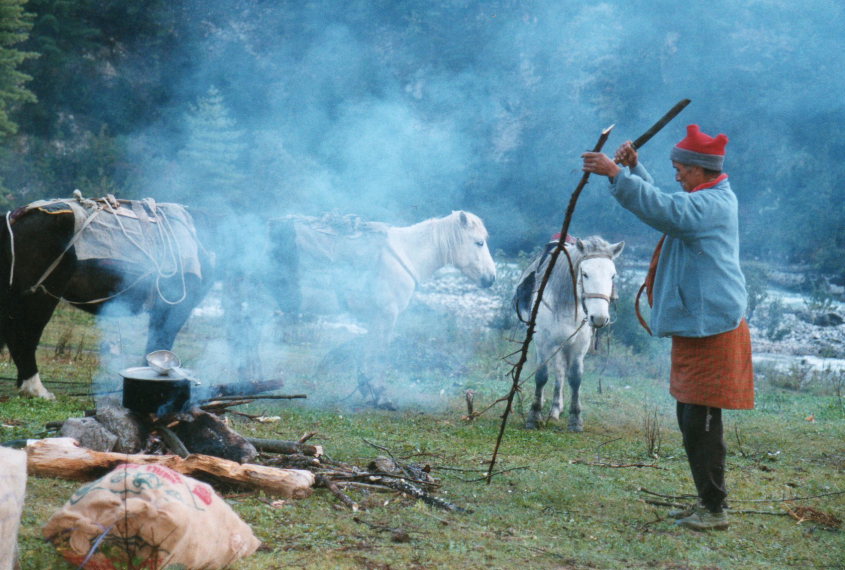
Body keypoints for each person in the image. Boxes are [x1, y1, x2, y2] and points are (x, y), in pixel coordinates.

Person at [581, 124, 754, 531]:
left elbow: (668, 211)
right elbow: (668, 203)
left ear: (701, 170)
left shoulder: (711, 205)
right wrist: (635, 171)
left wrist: (615, 173)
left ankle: (714, 510)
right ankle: (709, 502)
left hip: (713, 328)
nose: (677, 175)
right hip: (701, 325)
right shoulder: (704, 197)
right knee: (690, 416)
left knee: (700, 420)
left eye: (681, 169)